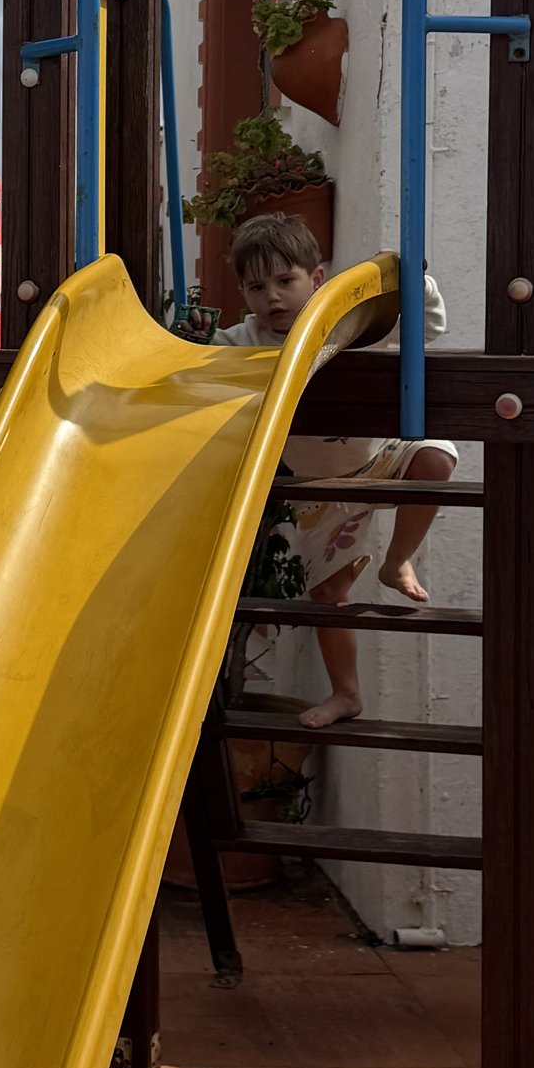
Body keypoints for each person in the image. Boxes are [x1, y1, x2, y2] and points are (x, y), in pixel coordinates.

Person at [220, 210, 455, 733]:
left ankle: (398, 560)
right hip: (317, 486)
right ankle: (347, 694)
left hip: (374, 460)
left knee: (436, 457)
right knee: (328, 596)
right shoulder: (245, 340)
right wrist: (190, 339)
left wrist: (414, 282)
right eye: (257, 287)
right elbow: (204, 363)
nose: (273, 297)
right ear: (243, 294)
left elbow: (427, 328)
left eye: (286, 281)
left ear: (317, 278)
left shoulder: (348, 321)